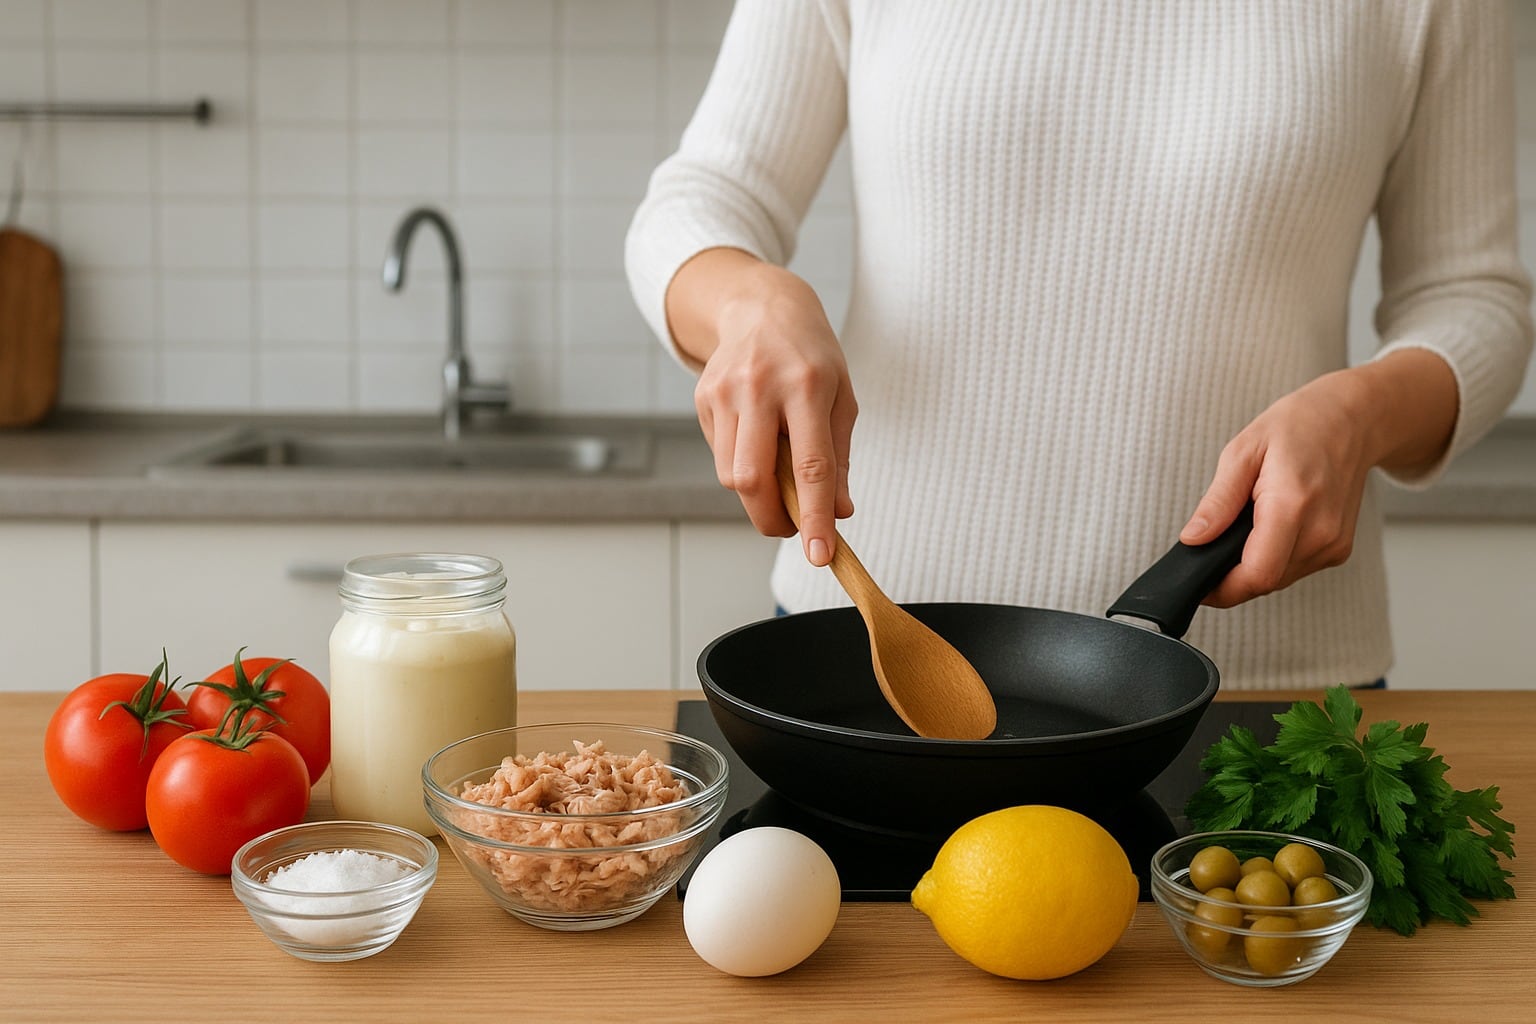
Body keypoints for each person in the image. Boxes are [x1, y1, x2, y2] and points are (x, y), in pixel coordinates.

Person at [625, 1, 1533, 690]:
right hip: (873, 656)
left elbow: (1473, 298)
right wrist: (746, 299)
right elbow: (703, 197)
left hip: (1263, 693)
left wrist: (1362, 415)